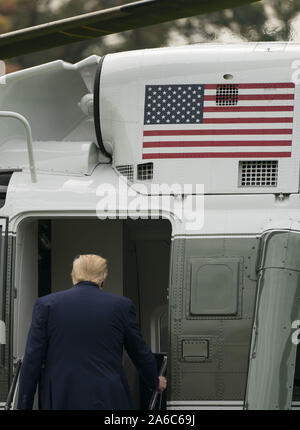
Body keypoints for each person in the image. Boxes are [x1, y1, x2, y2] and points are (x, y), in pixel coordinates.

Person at [17, 254, 167, 410]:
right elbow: (139, 351)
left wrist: (23, 405)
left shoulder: (46, 305)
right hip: (108, 399)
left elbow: (32, 360)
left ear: (73, 277)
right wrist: (154, 380)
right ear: (103, 279)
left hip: (61, 399)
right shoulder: (121, 306)